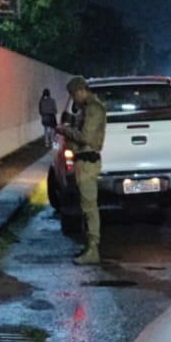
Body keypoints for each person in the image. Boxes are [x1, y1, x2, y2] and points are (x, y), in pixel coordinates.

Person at [59, 75, 107, 265]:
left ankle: (93, 248)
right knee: (87, 206)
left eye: (74, 94)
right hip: (84, 161)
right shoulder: (88, 108)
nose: (74, 99)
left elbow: (86, 137)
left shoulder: (93, 108)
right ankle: (90, 246)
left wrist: (65, 130)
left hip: (87, 161)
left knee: (89, 207)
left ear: (80, 91)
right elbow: (83, 124)